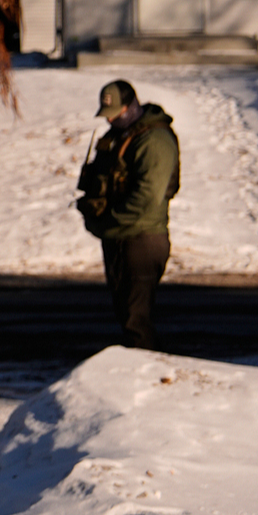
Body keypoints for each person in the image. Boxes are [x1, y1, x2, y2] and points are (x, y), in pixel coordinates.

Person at [76, 79, 179, 350]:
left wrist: (105, 224)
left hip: (142, 239)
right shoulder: (123, 136)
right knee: (126, 314)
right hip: (120, 236)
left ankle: (145, 377)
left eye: (116, 115)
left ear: (131, 106)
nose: (111, 122)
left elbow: (146, 197)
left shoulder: (154, 140)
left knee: (137, 320)